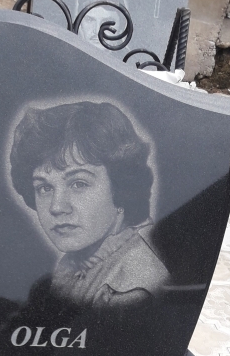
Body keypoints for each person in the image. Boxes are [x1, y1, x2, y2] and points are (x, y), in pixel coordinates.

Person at [9, 100, 173, 308]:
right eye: (45, 188)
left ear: (120, 188)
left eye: (78, 183)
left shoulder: (129, 288)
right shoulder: (70, 269)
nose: (56, 207)